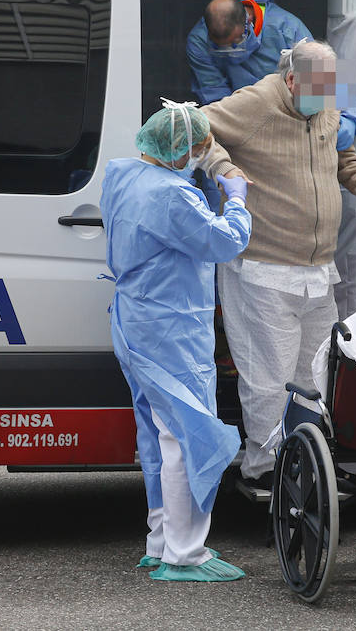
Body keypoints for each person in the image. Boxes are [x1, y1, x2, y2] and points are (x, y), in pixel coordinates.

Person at [201, 40, 356, 486]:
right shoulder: (257, 102)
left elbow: (344, 158)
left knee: (317, 374)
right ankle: (263, 470)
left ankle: (309, 464)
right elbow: (194, 127)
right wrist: (224, 169)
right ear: (291, 81)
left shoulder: (324, 105)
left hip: (317, 270)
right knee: (268, 379)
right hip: (263, 269)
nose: (329, 103)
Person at [100, 100, 253, 582]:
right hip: (172, 327)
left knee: (155, 433)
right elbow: (225, 242)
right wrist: (237, 199)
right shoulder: (172, 196)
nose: (199, 159)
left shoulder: (121, 176)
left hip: (134, 322)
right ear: (181, 150)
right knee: (186, 437)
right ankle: (185, 553)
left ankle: (160, 540)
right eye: (198, 150)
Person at [185, 0, 356, 148]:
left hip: (291, 120)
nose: (231, 52)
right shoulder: (199, 42)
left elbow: (326, 81)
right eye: (222, 48)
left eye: (236, 42)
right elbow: (216, 98)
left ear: (249, 22)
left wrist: (346, 122)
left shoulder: (288, 27)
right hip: (240, 122)